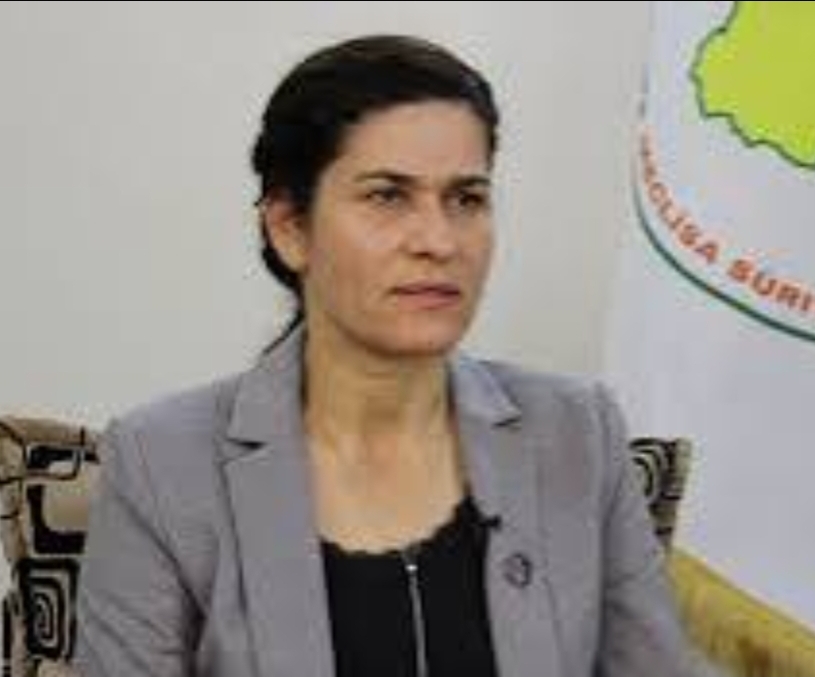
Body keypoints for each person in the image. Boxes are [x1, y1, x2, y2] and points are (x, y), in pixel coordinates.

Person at [75, 35, 715, 677]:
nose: (438, 240)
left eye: (466, 199)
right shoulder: (162, 466)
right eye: (388, 196)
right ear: (290, 228)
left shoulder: (578, 433)